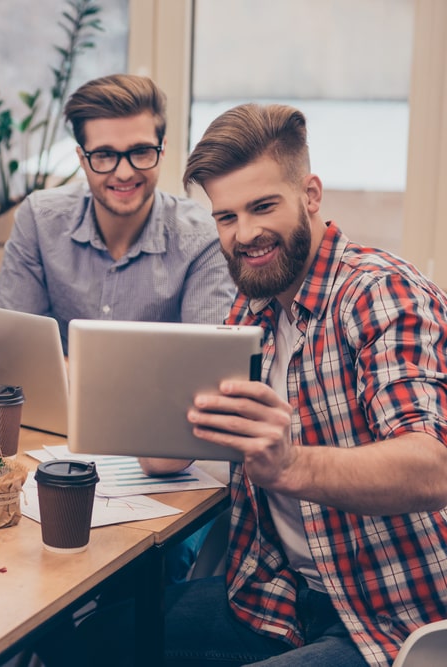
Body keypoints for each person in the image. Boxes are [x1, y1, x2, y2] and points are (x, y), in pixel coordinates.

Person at [161, 103, 447, 666]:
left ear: (310, 195)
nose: (245, 235)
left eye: (263, 206)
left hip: (398, 617)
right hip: (280, 600)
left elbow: (432, 465)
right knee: (83, 636)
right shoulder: (252, 309)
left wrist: (289, 466)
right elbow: (235, 443)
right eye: (226, 217)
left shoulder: (378, 295)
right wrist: (165, 443)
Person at [0, 73, 235, 354]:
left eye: (141, 151)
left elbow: (206, 363)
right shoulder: (39, 219)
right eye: (104, 155)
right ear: (83, 160)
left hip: (162, 400)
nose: (124, 173)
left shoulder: (203, 238)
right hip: (60, 397)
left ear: (162, 149)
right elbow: (13, 346)